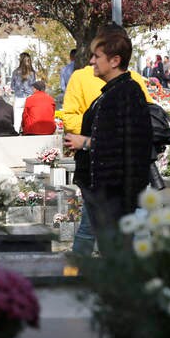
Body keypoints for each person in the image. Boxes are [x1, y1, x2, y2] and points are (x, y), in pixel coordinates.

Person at [63, 25, 153, 255]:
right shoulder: (111, 92)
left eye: (97, 56)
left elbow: (129, 145)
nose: (91, 61)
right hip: (103, 192)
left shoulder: (127, 92)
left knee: (117, 255)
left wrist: (85, 143)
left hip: (114, 195)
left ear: (114, 61)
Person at [10, 52, 36, 133]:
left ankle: (17, 133)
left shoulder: (15, 72)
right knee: (29, 118)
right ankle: (28, 132)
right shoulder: (32, 73)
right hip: (29, 98)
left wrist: (18, 89)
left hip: (19, 98)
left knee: (17, 119)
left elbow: (12, 86)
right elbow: (34, 86)